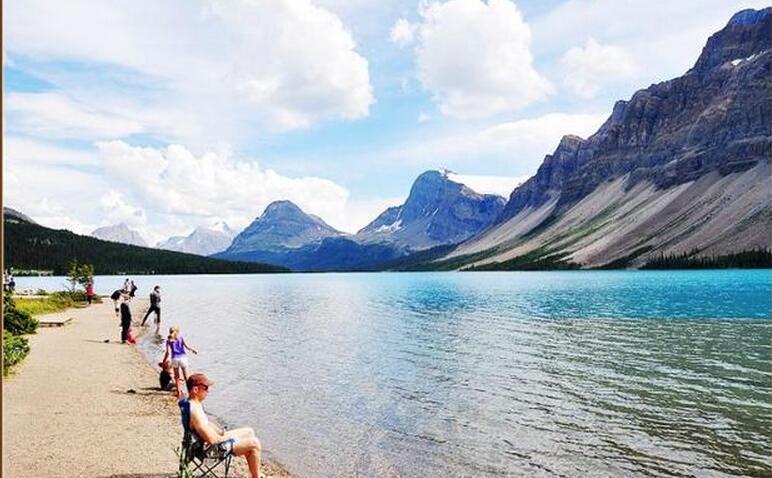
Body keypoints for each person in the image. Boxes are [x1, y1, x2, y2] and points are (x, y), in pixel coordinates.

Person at [184, 373, 262, 478]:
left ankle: (255, 471)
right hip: (215, 450)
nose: (208, 391)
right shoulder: (195, 411)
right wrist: (228, 439)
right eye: (205, 388)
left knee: (249, 431)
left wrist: (222, 432)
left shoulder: (193, 404)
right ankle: (256, 476)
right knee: (254, 443)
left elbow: (207, 424)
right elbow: (211, 439)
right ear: (195, 390)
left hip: (215, 442)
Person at [162, 326, 197, 398]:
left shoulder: (169, 341)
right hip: (183, 358)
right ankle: (190, 394)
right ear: (177, 332)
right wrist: (192, 350)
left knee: (177, 377)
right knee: (187, 377)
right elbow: (187, 347)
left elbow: (168, 352)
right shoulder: (180, 338)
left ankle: (178, 393)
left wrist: (164, 361)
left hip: (175, 358)